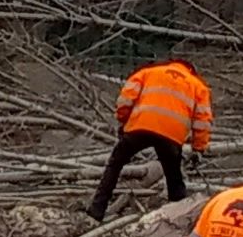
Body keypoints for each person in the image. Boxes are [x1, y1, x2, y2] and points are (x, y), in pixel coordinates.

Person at [90, 59, 212, 220]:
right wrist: (198, 149)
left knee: (115, 165)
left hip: (140, 126)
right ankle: (180, 215)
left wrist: (124, 121)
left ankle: (96, 210)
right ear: (191, 70)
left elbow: (126, 99)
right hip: (171, 136)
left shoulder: (148, 73)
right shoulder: (198, 87)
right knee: (174, 177)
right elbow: (202, 121)